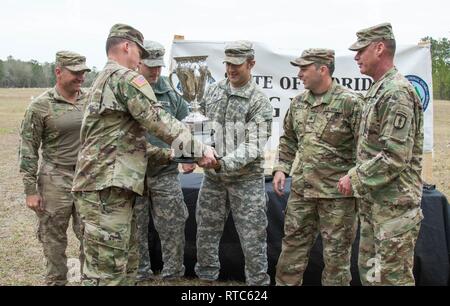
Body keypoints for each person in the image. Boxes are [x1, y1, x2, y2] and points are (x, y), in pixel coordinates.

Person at [71, 23, 217, 286]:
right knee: (107, 271)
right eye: (139, 51)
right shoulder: (125, 78)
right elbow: (158, 119)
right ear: (127, 46)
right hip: (107, 187)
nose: (140, 58)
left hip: (105, 185)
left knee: (120, 265)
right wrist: (200, 150)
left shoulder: (103, 78)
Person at [338, 22, 424, 285]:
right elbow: (372, 149)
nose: (355, 56)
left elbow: (395, 156)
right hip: (376, 205)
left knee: (391, 279)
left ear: (379, 48)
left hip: (394, 209)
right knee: (373, 277)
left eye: (360, 50)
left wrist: (356, 177)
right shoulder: (378, 90)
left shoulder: (396, 92)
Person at [272, 49, 363, 286]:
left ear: (323, 69)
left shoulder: (350, 103)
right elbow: (289, 139)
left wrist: (354, 177)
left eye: (304, 68)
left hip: (338, 196)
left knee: (336, 257)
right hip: (303, 191)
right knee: (292, 248)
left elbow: (366, 148)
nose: (299, 74)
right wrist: (282, 168)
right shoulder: (299, 102)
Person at [195, 40, 273, 286]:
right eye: (228, 63)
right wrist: (191, 150)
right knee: (205, 232)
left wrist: (221, 163)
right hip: (213, 179)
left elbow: (253, 146)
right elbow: (199, 126)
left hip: (246, 180)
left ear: (251, 64)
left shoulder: (260, 102)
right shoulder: (213, 91)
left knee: (253, 239)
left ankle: (257, 285)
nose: (231, 69)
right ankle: (205, 281)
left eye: (237, 64)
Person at [18, 51, 91, 286]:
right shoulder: (41, 106)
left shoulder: (90, 100)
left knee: (90, 236)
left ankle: (89, 280)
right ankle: (57, 281)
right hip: (54, 178)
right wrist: (30, 190)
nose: (80, 77)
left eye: (83, 73)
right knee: (53, 240)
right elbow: (28, 148)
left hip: (87, 178)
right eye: (75, 72)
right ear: (58, 72)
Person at [134, 40, 194, 281]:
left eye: (159, 66)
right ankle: (140, 273)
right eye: (150, 67)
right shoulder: (128, 88)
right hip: (134, 174)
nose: (155, 72)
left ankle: (173, 274)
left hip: (165, 173)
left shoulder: (170, 92)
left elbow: (185, 125)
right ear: (139, 63)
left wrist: (186, 156)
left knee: (173, 225)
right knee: (135, 228)